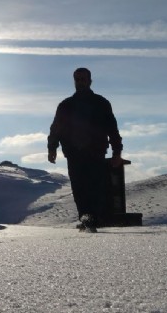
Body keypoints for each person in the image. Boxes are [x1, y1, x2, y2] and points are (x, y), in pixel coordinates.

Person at [47, 67, 124, 233]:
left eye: (83, 79)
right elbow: (56, 129)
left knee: (95, 187)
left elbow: (112, 129)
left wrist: (117, 152)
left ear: (90, 81)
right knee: (79, 187)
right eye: (77, 79)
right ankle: (85, 218)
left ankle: (92, 219)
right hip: (74, 153)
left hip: (95, 152)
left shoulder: (101, 103)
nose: (80, 82)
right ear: (74, 81)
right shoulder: (66, 105)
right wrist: (52, 148)